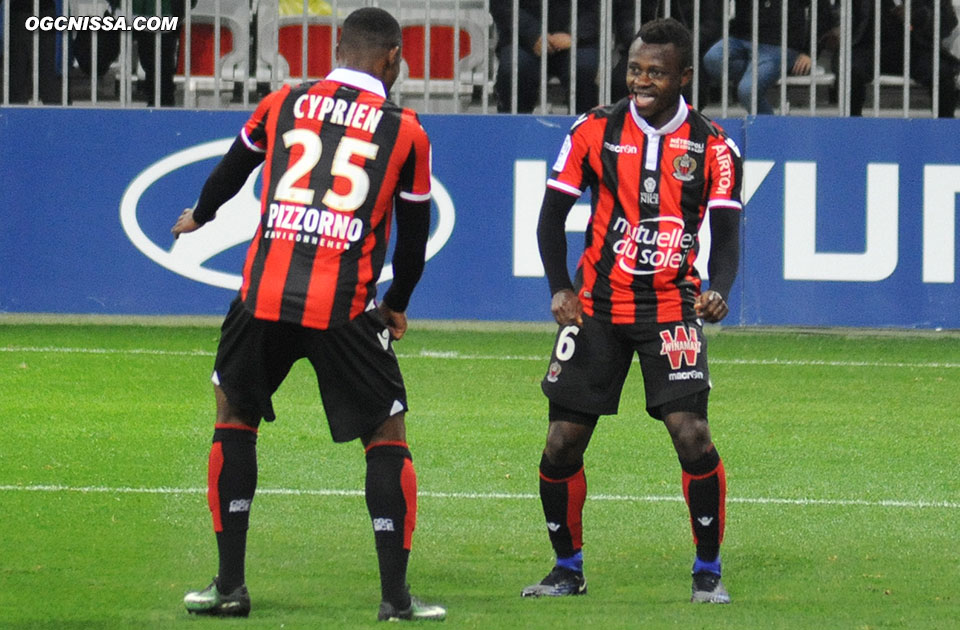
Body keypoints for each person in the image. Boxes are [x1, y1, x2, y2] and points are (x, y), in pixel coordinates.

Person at [171, 7, 445, 622]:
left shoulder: (283, 103)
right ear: (394, 58)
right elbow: (413, 241)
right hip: (343, 306)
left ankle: (229, 588)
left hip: (262, 295)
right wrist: (395, 306)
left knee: (234, 415)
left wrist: (201, 215)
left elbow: (233, 169)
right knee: (385, 433)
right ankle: (396, 600)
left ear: (338, 48)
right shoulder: (406, 131)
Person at [521, 18, 742, 604]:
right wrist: (559, 287)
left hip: (670, 307)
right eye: (636, 70)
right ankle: (567, 568)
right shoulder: (594, 130)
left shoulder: (714, 146)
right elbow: (550, 218)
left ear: (684, 77)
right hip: (595, 307)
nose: (641, 82)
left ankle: (708, 570)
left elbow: (727, 237)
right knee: (562, 442)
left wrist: (717, 288)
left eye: (656, 73)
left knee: (692, 435)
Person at [489, 0, 635, 113]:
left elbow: (601, 5)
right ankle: (513, 133)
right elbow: (501, 5)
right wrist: (534, 34)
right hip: (522, 39)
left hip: (578, 41)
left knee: (584, 71)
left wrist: (575, 34)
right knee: (515, 70)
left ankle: (584, 134)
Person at [702, 0, 835, 114]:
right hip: (741, 38)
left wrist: (810, 52)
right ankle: (754, 71)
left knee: (748, 90)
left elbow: (822, 12)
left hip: (781, 46)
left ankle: (770, 128)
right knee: (712, 59)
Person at [833, 0, 959, 117]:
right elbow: (838, 12)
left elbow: (949, 22)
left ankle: (944, 135)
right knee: (849, 70)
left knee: (942, 73)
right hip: (866, 46)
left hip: (917, 48)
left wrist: (918, 16)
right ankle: (851, 131)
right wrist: (839, 27)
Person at [609, 0, 724, 105]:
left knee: (691, 85)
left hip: (687, 51)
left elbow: (711, 25)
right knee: (620, 82)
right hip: (642, 50)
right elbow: (627, 22)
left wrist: (680, 44)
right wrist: (646, 45)